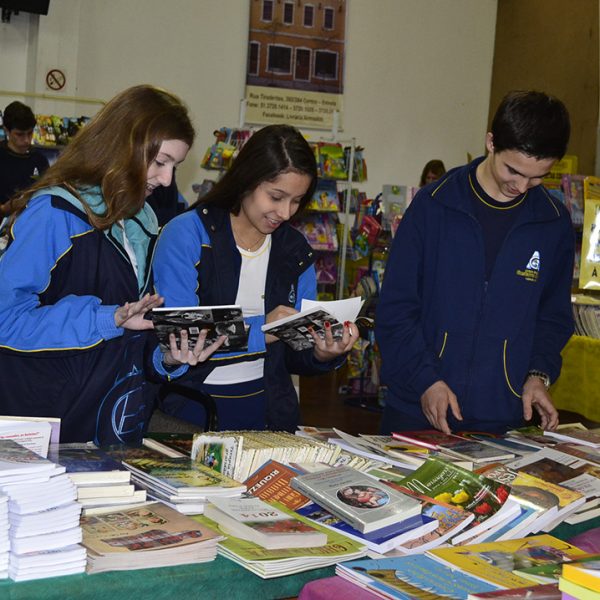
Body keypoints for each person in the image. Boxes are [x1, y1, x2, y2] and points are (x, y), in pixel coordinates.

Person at [0, 85, 223, 445]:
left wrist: (167, 356)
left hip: (115, 428)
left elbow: (132, 334)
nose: (167, 179)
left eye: (174, 166)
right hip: (49, 429)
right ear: (122, 146)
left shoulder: (141, 223)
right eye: (160, 161)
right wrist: (107, 318)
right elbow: (5, 320)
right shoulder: (54, 215)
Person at [376, 90, 574, 435]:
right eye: (514, 170)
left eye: (538, 176)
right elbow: (395, 308)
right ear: (490, 142)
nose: (523, 186)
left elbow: (553, 318)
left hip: (503, 416)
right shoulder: (434, 206)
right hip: (416, 410)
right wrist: (425, 380)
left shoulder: (552, 222)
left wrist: (538, 375)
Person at [152, 124, 358, 431]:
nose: (286, 213)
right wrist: (266, 328)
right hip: (191, 409)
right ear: (246, 180)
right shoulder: (186, 234)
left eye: (297, 200)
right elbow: (182, 336)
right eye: (276, 197)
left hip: (270, 410)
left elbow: (294, 355)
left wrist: (322, 352)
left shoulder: (294, 249)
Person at [0, 101, 50, 212]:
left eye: (30, 133)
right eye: (20, 134)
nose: (27, 140)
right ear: (6, 130)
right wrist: (3, 209)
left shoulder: (40, 160)